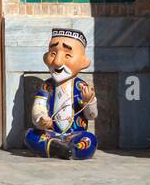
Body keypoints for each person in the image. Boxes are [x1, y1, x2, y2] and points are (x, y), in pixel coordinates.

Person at [25, 27, 97, 160]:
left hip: (75, 134)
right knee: (30, 135)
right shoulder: (47, 86)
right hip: (51, 134)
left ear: (83, 62)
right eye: (52, 53)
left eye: (67, 55)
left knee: (90, 139)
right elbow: (38, 107)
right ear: (46, 57)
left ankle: (67, 150)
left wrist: (88, 101)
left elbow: (91, 115)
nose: (57, 62)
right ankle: (58, 148)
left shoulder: (81, 87)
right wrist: (41, 119)